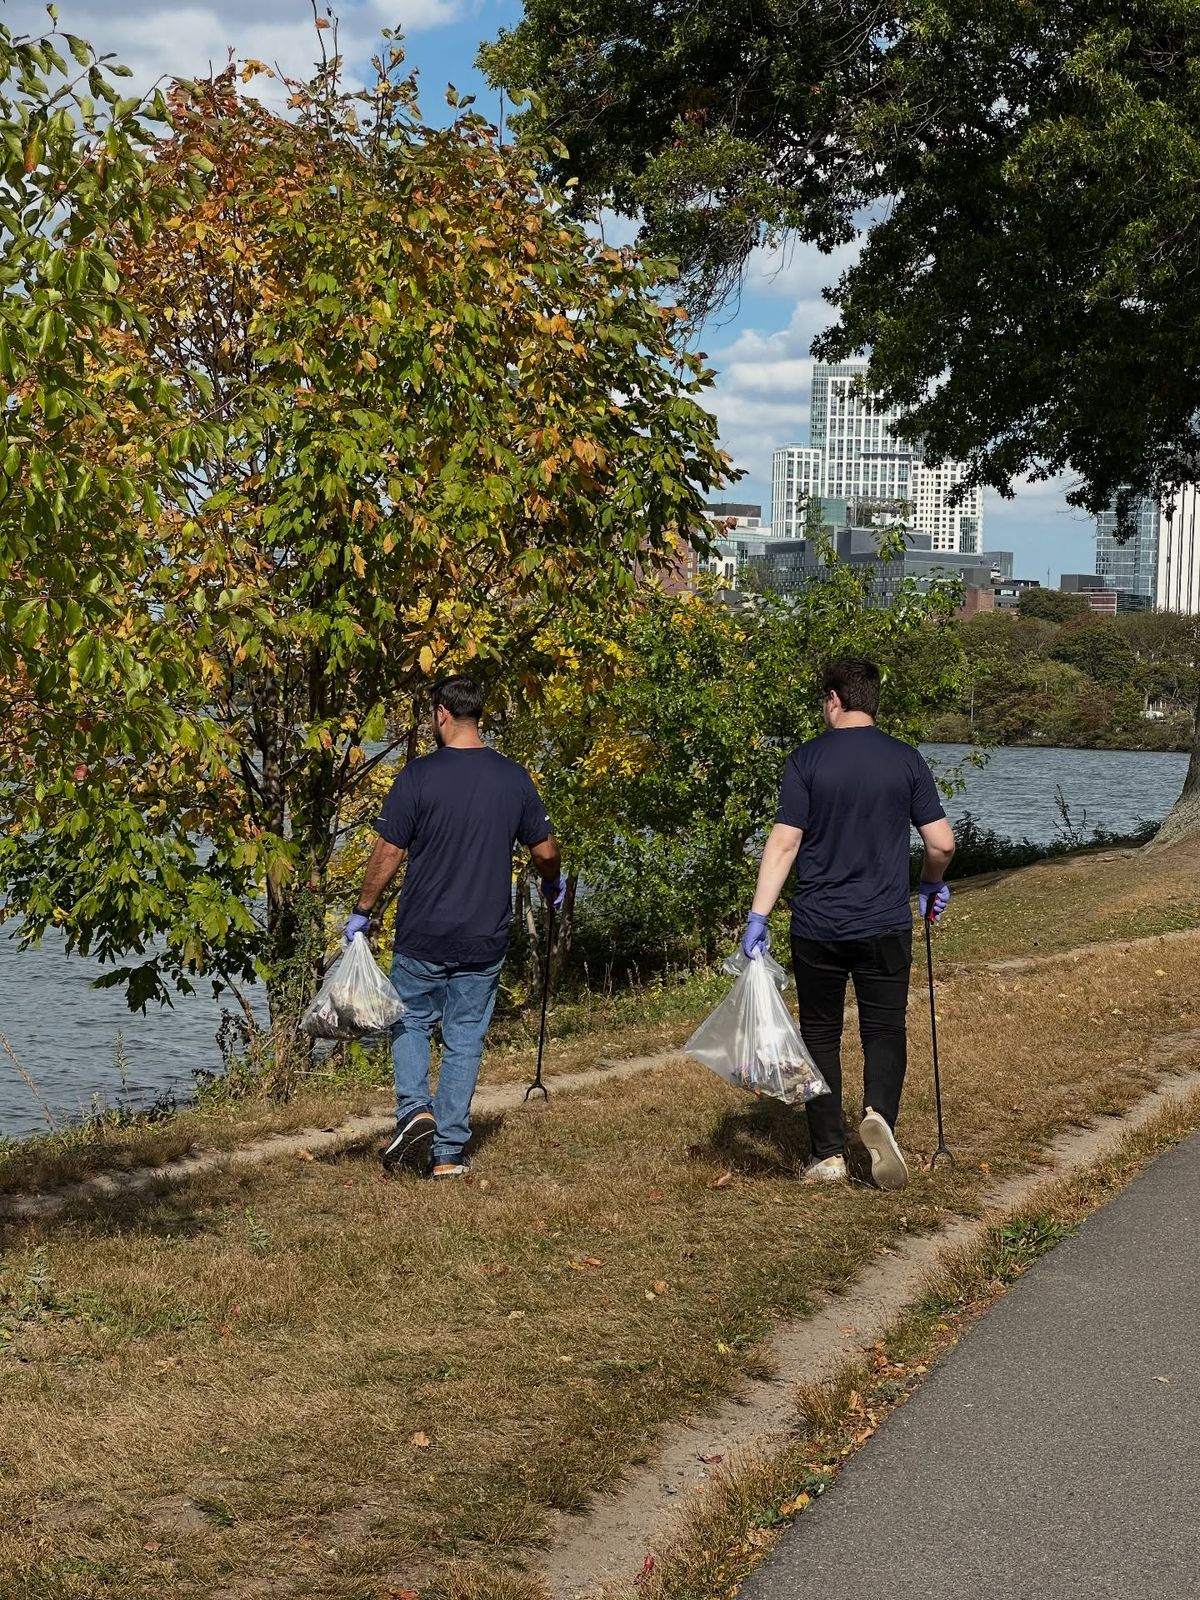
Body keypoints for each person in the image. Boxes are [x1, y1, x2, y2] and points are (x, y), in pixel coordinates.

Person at [742, 658, 955, 1190]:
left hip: (818, 926)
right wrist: (931, 882)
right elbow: (942, 842)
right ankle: (879, 1113)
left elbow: (785, 842)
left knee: (820, 1033)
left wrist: (758, 916)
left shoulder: (806, 760)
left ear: (834, 699)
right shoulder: (906, 761)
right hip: (884, 923)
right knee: (884, 1028)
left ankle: (829, 1154)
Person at [345, 675, 565, 1179]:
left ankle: (413, 1112)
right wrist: (552, 884)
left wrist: (364, 910)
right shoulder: (514, 778)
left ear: (441, 713)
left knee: (410, 1021)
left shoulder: (418, 777)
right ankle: (447, 1154)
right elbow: (545, 850)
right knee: (465, 1036)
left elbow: (389, 850)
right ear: (476, 714)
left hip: (423, 932)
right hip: (483, 937)